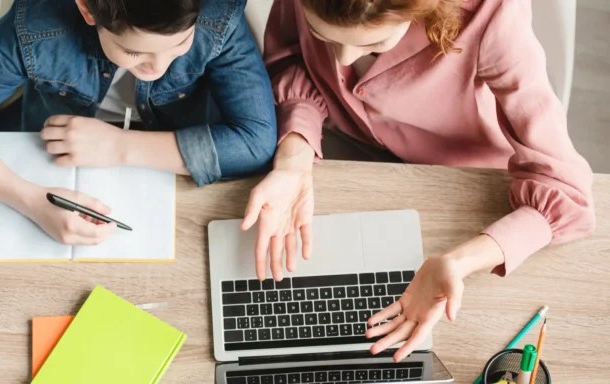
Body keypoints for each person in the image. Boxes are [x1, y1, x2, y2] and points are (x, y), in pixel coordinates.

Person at [242, 0, 595, 361]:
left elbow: (569, 194)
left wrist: (460, 261)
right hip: (347, 148)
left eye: (373, 44)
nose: (344, 60)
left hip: (460, 177)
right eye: (322, 35)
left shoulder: (492, 16)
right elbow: (289, 60)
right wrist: (294, 160)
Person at [0, 0, 276, 246]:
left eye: (181, 43)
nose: (158, 68)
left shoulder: (217, 12)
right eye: (134, 52)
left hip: (175, 152)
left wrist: (121, 146)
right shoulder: (37, 24)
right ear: (86, 7)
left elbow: (255, 143)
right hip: (48, 147)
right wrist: (33, 202)